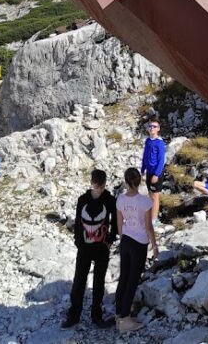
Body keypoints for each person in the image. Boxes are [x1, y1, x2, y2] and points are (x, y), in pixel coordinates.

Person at [63, 169, 117, 330]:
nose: (99, 189)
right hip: (84, 248)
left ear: (105, 184)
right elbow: (78, 223)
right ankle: (74, 315)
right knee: (79, 281)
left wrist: (110, 239)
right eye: (97, 185)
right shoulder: (82, 200)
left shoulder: (109, 200)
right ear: (92, 183)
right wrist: (78, 241)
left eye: (102, 186)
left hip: (101, 248)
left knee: (98, 283)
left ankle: (96, 316)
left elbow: (115, 221)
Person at [115, 167, 158, 333]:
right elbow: (148, 227)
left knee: (123, 278)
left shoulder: (120, 199)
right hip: (139, 243)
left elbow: (119, 224)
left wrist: (123, 238)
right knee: (132, 281)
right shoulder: (145, 201)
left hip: (125, 240)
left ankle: (119, 315)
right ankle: (125, 320)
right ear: (140, 181)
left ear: (126, 182)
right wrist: (154, 246)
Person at [140, 117, 166, 223]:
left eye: (154, 126)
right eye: (150, 126)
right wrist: (142, 170)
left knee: (155, 196)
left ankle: (154, 219)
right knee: (150, 194)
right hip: (148, 172)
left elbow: (161, 160)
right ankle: (151, 215)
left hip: (156, 173)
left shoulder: (160, 143)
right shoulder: (147, 141)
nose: (152, 128)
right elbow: (145, 156)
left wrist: (156, 174)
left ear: (158, 129)